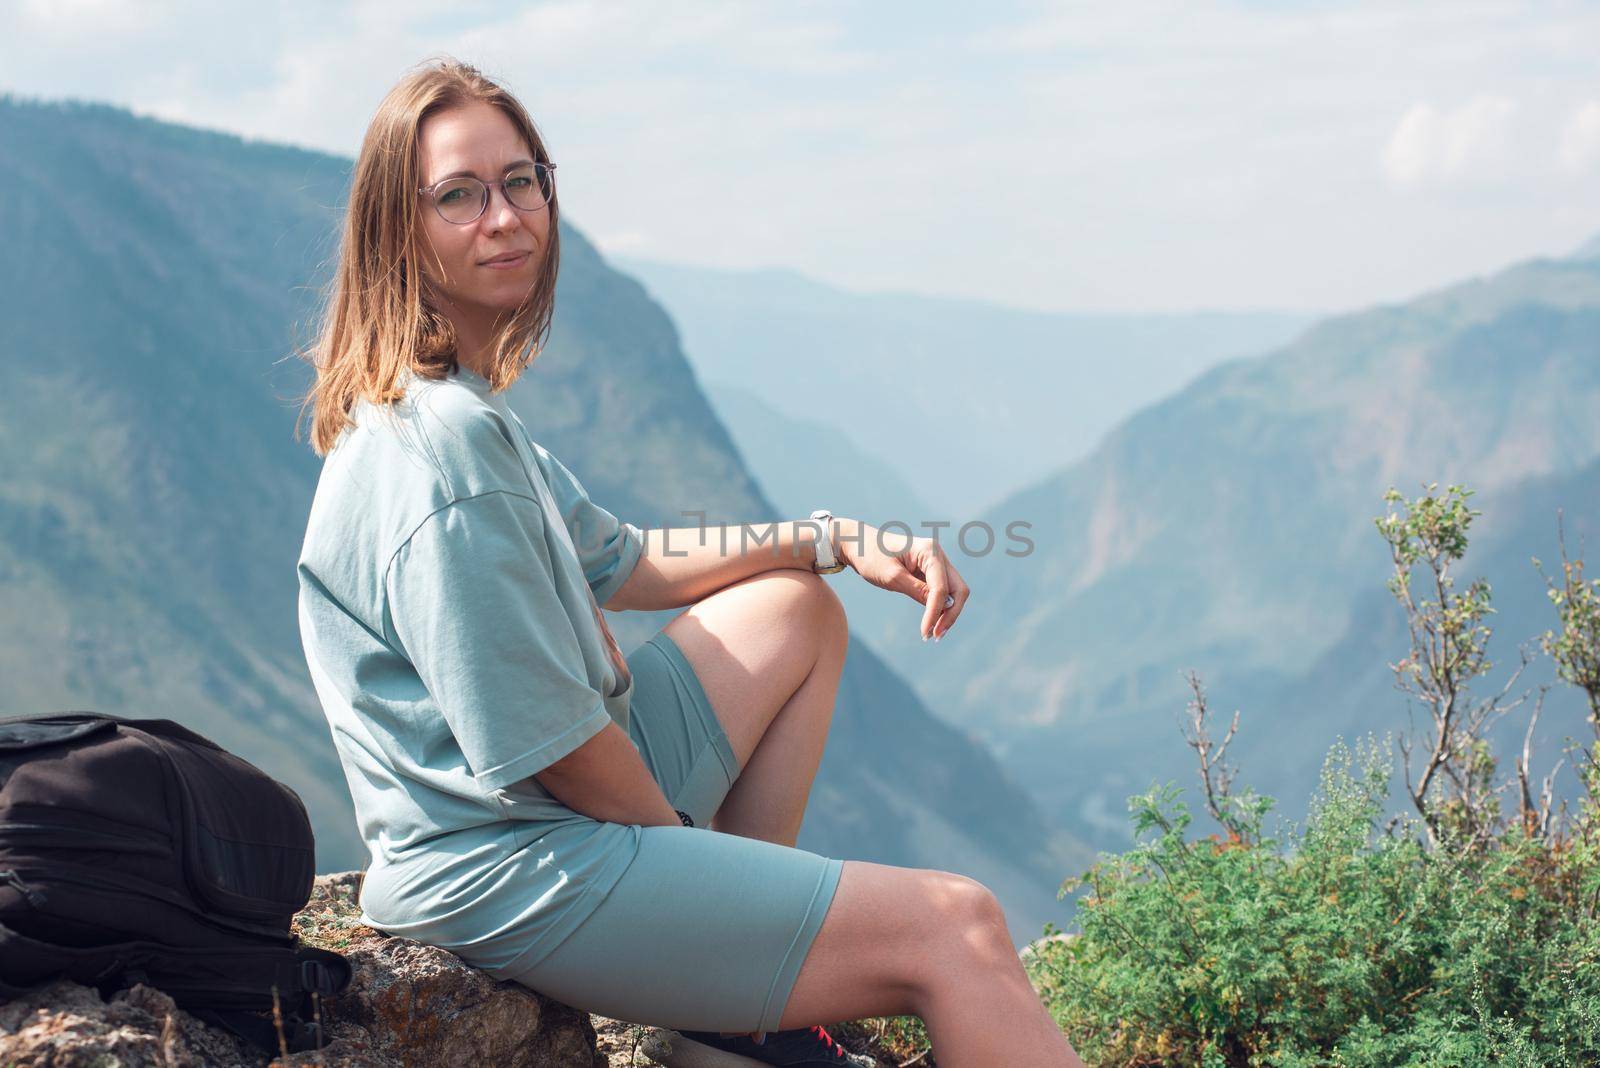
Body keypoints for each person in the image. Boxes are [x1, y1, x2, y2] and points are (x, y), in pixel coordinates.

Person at [292, 55, 1085, 1068]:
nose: (505, 217)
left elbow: (623, 561)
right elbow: (554, 747)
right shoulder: (448, 454)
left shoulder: (455, 411)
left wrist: (830, 540)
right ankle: (738, 1005)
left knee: (794, 610)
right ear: (397, 231)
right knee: (958, 927)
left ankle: (736, 1019)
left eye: (521, 180)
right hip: (509, 862)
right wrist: (697, 870)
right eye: (458, 195)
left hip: (538, 818)